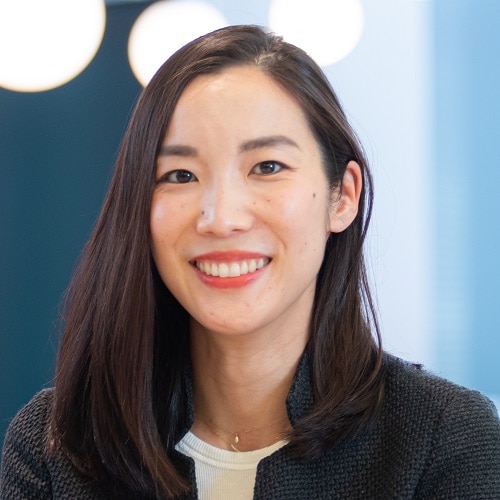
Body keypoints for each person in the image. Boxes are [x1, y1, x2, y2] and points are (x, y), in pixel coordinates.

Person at [1, 24, 499, 500]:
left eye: (267, 167)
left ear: (343, 196)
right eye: (180, 175)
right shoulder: (55, 445)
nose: (221, 218)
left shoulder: (448, 442)